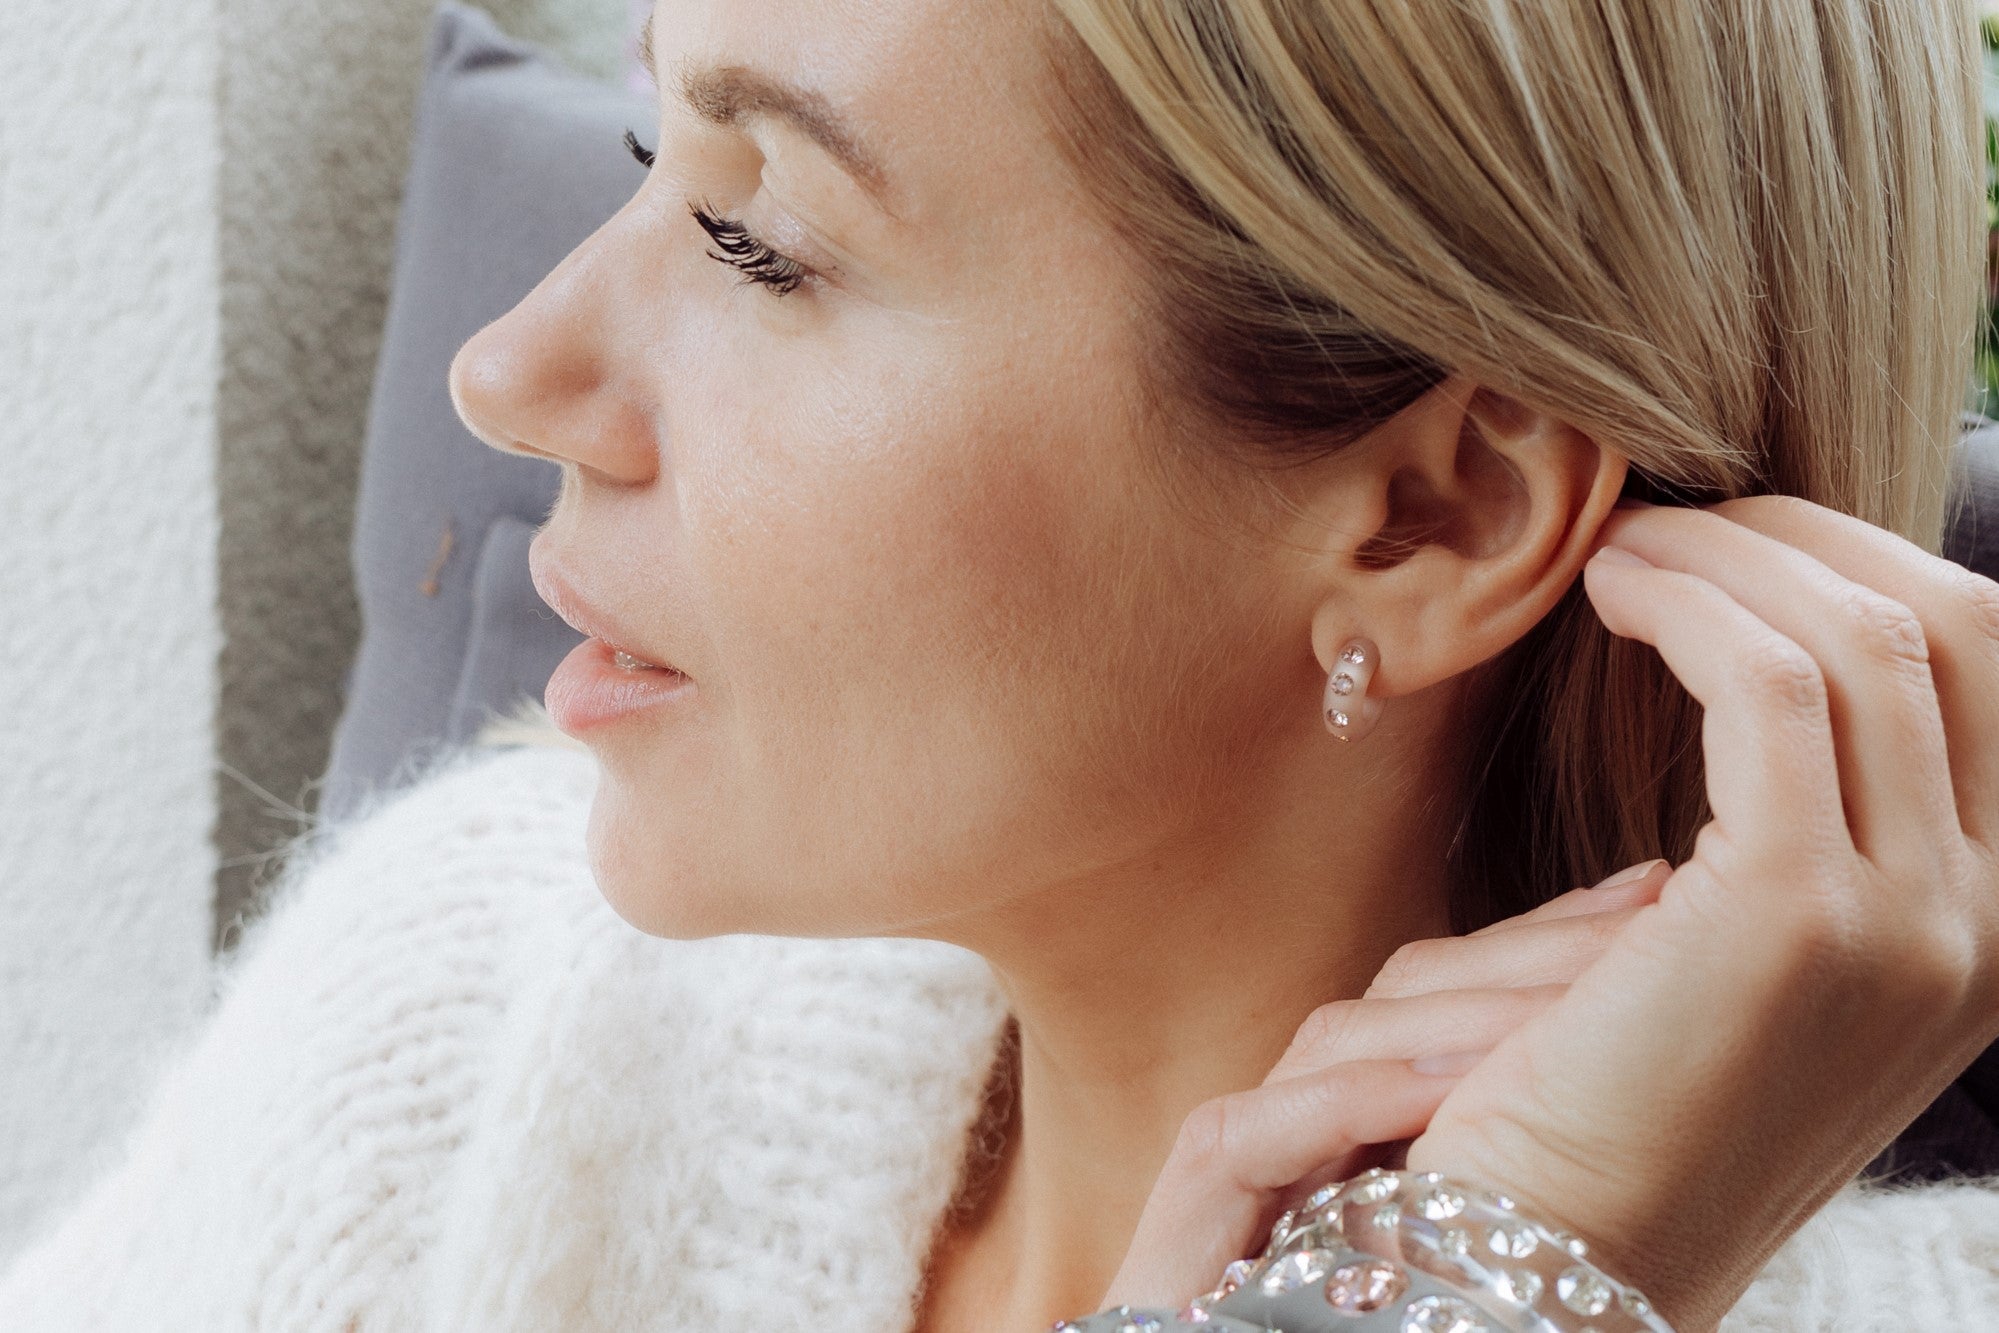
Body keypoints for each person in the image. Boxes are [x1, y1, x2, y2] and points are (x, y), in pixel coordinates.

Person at [7, 0, 1999, 1329]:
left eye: (760, 241)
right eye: (645, 154)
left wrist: (1486, 1287)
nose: (508, 372)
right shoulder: (469, 1028)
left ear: (1435, 519)